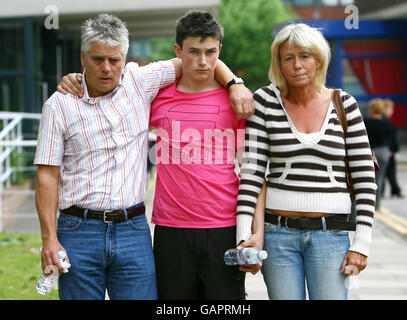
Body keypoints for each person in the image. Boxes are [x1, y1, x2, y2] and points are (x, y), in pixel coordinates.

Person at [36, 13, 253, 300]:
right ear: (82, 58)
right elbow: (47, 174)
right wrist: (49, 239)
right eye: (97, 59)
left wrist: (234, 83)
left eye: (114, 60)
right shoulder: (59, 105)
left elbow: (200, 56)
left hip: (133, 228)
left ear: (125, 60)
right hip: (78, 230)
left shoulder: (139, 82)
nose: (106, 68)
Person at [236, 23, 377, 300]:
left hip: (331, 236)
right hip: (278, 236)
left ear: (319, 60)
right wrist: (245, 237)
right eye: (288, 58)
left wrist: (361, 244)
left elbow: (365, 180)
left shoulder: (344, 104)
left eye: (305, 56)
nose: (297, 65)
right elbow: (251, 174)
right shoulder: (265, 101)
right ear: (278, 63)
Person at [149, 10, 247, 300]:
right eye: (193, 52)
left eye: (210, 52)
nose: (202, 61)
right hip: (171, 228)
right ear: (178, 51)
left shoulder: (239, 100)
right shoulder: (157, 97)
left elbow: (253, 169)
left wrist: (252, 230)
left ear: (220, 51)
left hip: (224, 226)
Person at [364, 98, 393, 209]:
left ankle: (368, 204)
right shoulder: (386, 123)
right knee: (380, 178)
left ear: (371, 109)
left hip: (370, 152)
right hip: (383, 152)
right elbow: (391, 139)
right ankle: (377, 204)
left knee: (369, 179)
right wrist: (390, 150)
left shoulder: (366, 122)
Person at [383, 99, 403, 198]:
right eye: (388, 108)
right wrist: (391, 150)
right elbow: (388, 138)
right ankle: (394, 190)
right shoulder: (385, 122)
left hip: (388, 151)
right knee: (388, 172)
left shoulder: (387, 121)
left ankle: (393, 190)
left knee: (387, 172)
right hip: (387, 151)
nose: (391, 111)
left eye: (391, 108)